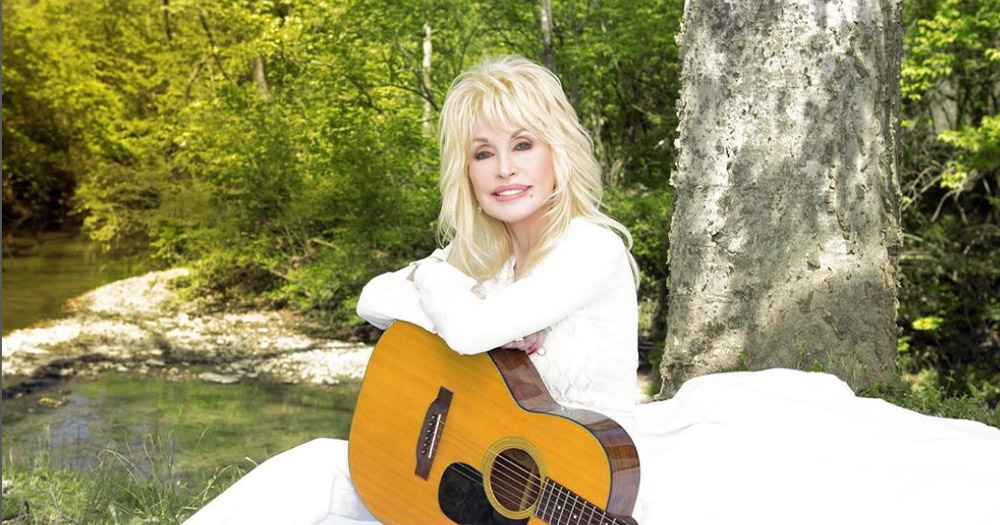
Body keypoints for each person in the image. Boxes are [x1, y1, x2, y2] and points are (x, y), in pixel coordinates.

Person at [186, 55, 1000, 525]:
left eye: (521, 144)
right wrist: (440, 283)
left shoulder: (591, 249)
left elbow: (468, 337)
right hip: (479, 453)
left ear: (557, 153)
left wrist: (440, 292)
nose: (503, 168)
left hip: (600, 463)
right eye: (481, 153)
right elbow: (371, 297)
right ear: (463, 171)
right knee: (311, 471)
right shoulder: (481, 257)